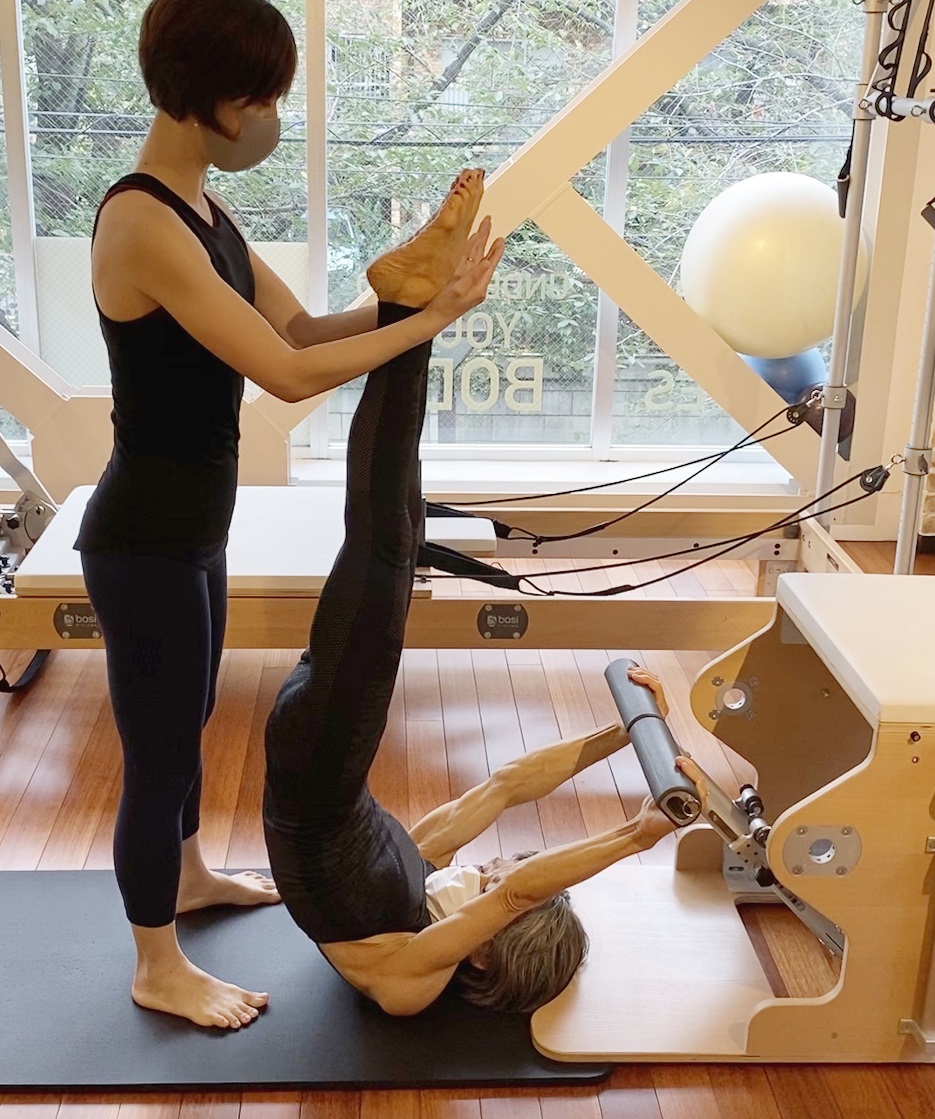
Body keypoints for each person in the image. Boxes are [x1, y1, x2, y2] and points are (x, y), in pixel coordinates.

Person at [78, 0, 502, 1031]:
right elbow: (289, 375)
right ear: (202, 92)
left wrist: (400, 301)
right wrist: (429, 323)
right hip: (141, 540)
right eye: (258, 96)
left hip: (191, 530)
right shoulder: (141, 224)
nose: (269, 116)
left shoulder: (202, 210)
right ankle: (155, 963)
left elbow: (306, 328)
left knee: (185, 720)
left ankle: (186, 878)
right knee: (159, 752)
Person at [262, 202, 699, 1016]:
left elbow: (513, 896)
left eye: (497, 881)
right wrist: (626, 732)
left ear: (486, 952)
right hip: (317, 746)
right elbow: (502, 787)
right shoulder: (418, 880)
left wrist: (638, 835)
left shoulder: (407, 977)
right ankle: (407, 313)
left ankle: (407, 311)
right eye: (498, 870)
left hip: (322, 758)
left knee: (385, 543)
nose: (490, 871)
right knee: (397, 532)